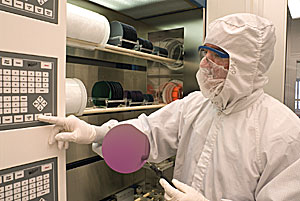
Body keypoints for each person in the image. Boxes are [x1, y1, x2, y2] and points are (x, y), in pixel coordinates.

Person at [39, 13, 300, 201]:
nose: (205, 65)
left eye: (217, 57)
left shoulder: (284, 132)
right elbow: (147, 134)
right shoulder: (196, 105)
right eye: (204, 54)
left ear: (246, 66)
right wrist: (96, 133)